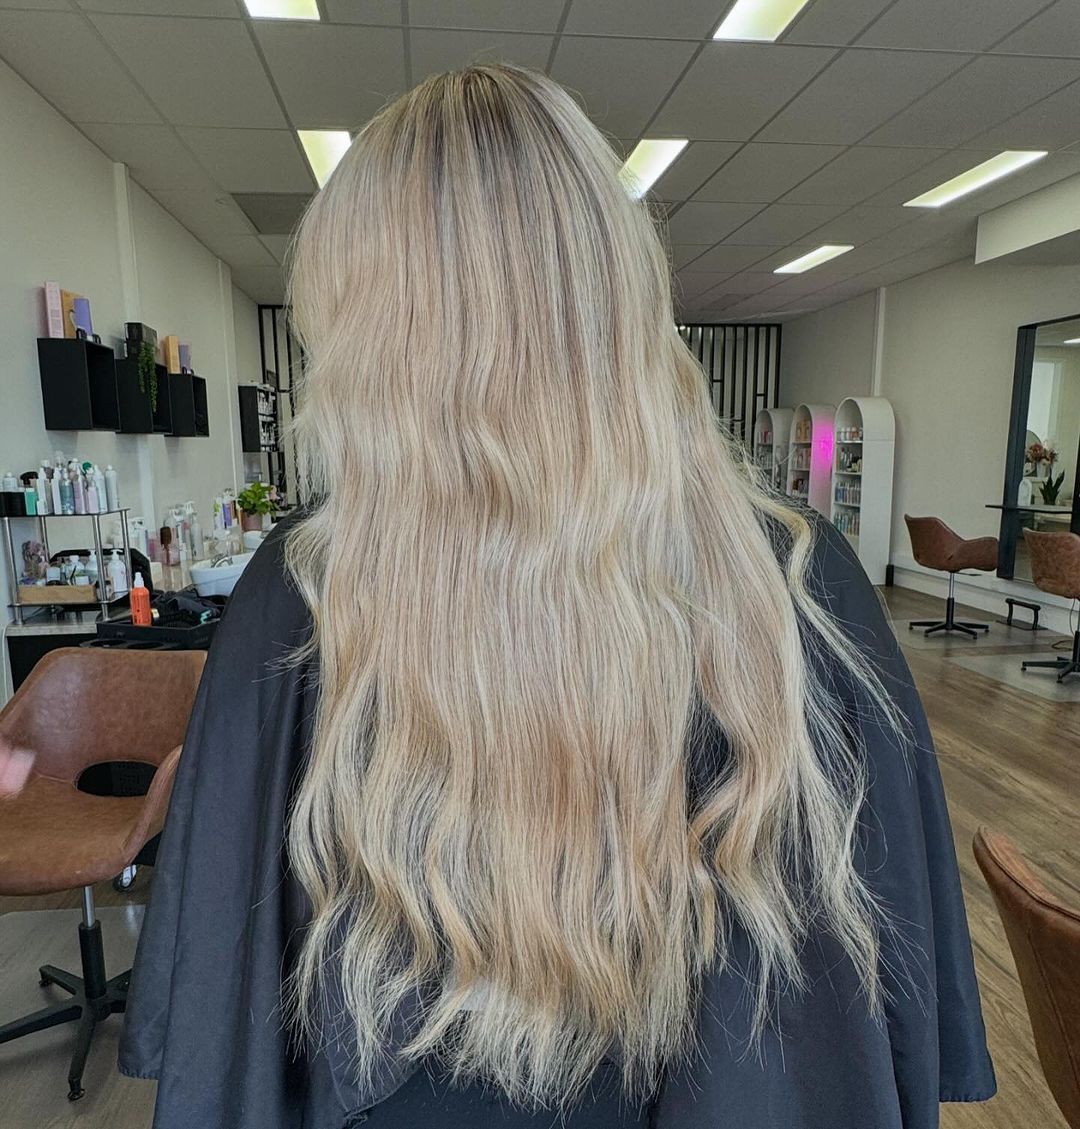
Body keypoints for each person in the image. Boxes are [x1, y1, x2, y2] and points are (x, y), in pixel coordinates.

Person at [118, 65, 994, 1129]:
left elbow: (228, 984)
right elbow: (859, 1011)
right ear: (618, 288)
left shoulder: (302, 589)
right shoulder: (796, 581)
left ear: (369, 322)